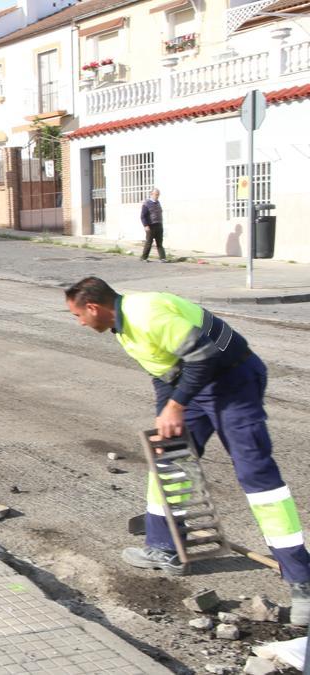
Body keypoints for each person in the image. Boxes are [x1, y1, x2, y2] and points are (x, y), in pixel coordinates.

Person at [65, 276, 310, 624]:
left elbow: (203, 356)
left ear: (93, 307)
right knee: (167, 455)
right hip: (196, 383)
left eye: (77, 316)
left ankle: (302, 581)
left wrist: (176, 406)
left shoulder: (145, 314)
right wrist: (167, 410)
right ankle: (165, 548)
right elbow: (163, 372)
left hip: (233, 381)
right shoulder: (122, 326)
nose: (80, 323)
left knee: (256, 475)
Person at [140, 188, 168, 262]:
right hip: (150, 225)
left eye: (158, 194)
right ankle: (144, 258)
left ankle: (162, 258)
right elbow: (143, 216)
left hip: (158, 224)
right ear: (151, 194)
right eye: (156, 194)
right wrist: (145, 225)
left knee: (159, 242)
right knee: (149, 242)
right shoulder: (146, 203)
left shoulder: (158, 202)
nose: (157, 196)